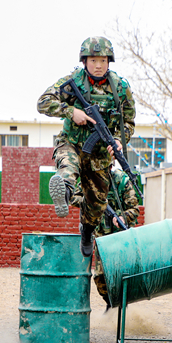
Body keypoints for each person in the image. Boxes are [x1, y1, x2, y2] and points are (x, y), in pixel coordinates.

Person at [37, 36, 136, 257]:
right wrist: (71, 112)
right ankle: (64, 191)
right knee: (68, 166)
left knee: (97, 205)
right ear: (84, 61)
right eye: (93, 60)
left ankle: (87, 230)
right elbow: (43, 102)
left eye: (102, 60)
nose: (98, 65)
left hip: (100, 155)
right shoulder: (74, 80)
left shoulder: (120, 87)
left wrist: (120, 140)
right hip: (71, 143)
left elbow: (128, 122)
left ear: (109, 61)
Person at [70, 166, 139, 309]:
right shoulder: (88, 179)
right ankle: (111, 303)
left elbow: (134, 209)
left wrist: (123, 217)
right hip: (101, 238)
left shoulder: (121, 180)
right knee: (100, 277)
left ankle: (121, 306)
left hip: (121, 239)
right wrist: (92, 202)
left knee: (121, 275)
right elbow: (73, 198)